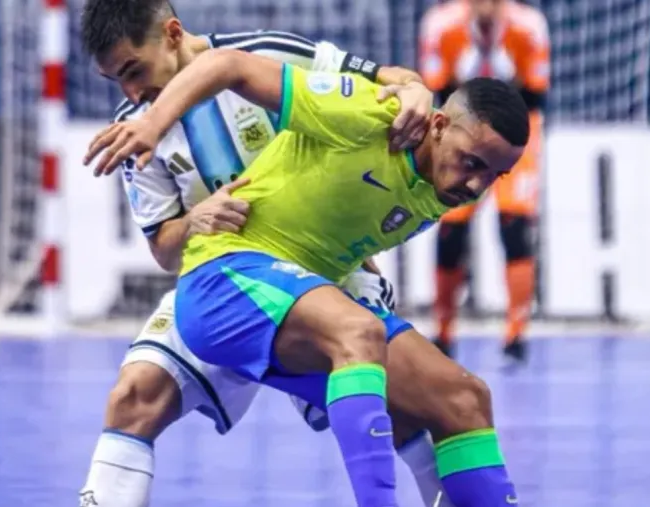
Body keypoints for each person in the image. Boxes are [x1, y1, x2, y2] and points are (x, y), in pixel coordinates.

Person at [85, 41, 530, 507]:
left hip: (308, 292)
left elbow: (393, 81)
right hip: (225, 277)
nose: (477, 185)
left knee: (463, 399)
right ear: (436, 126)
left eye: (494, 176)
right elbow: (228, 62)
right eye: (472, 164)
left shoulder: (446, 178)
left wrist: (412, 83)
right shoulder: (366, 115)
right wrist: (152, 125)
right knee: (138, 397)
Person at [419, 0, 550, 362]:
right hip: (463, 129)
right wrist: (471, 77)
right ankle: (444, 331)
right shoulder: (440, 25)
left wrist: (505, 83)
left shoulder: (530, 26)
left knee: (515, 225)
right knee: (451, 230)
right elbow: (437, 92)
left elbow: (537, 94)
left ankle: (516, 333)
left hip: (516, 132)